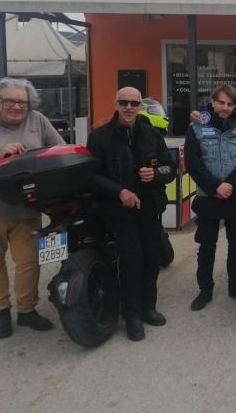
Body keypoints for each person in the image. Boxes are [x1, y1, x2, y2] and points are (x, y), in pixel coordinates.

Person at [0, 78, 64, 339]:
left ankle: (26, 310)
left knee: (29, 262)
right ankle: (0, 312)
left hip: (26, 208)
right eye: (10, 101)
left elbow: (58, 149)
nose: (17, 107)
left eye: (22, 102)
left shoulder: (37, 120)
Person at [87, 87, 176, 341]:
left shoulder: (152, 134)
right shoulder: (100, 137)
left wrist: (156, 174)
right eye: (124, 102)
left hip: (150, 207)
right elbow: (92, 175)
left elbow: (171, 168)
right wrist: (120, 191)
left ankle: (149, 308)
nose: (129, 107)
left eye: (134, 103)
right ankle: (132, 315)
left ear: (139, 106)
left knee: (150, 259)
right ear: (115, 104)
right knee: (131, 260)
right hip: (120, 209)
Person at [184, 84, 236, 311]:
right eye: (221, 102)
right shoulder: (197, 125)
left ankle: (234, 285)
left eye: (230, 104)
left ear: (235, 106)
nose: (225, 107)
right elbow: (192, 162)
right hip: (208, 196)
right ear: (212, 102)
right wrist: (215, 187)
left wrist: (231, 186)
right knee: (206, 246)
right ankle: (205, 289)